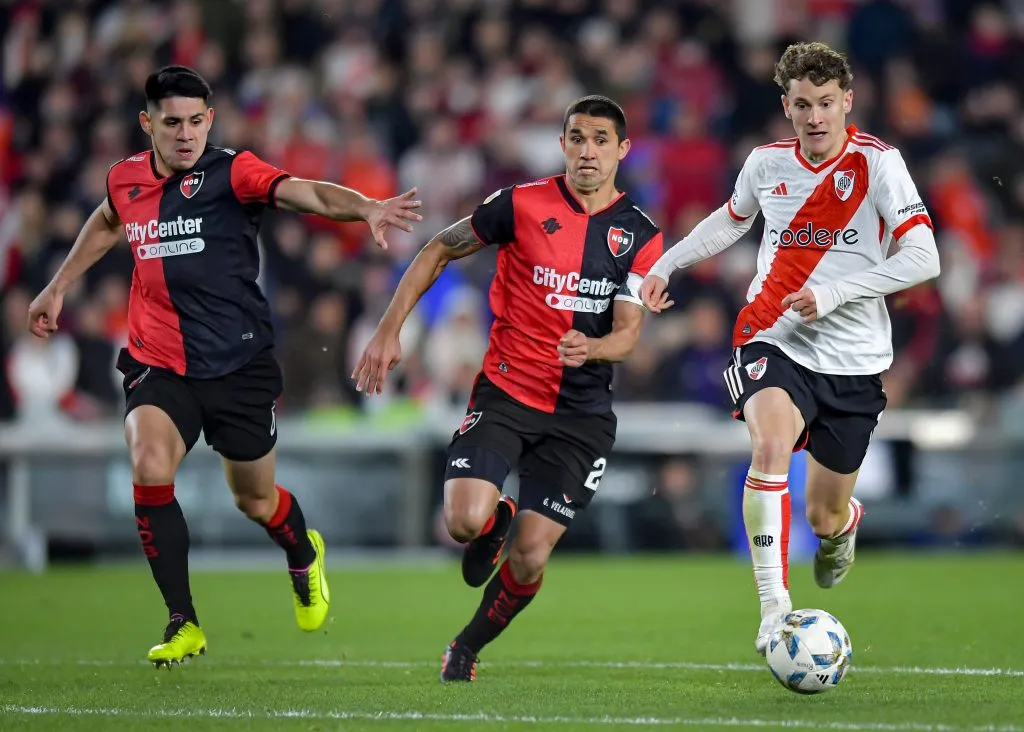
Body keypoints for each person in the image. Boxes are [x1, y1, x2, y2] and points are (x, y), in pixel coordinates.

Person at [26, 66, 422, 667]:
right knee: (149, 460)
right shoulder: (124, 178)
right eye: (171, 123)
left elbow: (309, 193)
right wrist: (58, 286)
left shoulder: (233, 172)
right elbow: (108, 221)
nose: (185, 135)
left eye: (195, 122)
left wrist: (365, 207)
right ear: (147, 123)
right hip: (159, 361)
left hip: (237, 363)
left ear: (209, 120)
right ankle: (183, 621)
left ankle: (303, 553)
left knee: (255, 500)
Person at [640, 42, 940, 655]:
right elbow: (731, 219)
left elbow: (924, 257)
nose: (815, 117)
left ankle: (843, 527)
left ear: (847, 101)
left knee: (823, 517)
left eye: (826, 102)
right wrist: (666, 263)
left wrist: (833, 294)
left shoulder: (879, 164)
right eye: (803, 105)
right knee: (771, 445)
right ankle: (774, 607)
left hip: (854, 361)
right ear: (786, 106)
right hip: (772, 336)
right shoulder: (766, 164)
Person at [353, 95, 663, 682]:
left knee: (530, 556)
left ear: (623, 149)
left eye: (601, 140)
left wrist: (593, 348)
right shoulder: (519, 203)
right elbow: (439, 248)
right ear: (562, 144)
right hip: (507, 393)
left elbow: (628, 334)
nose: (588, 151)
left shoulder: (641, 235)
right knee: (463, 523)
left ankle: (466, 647)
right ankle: (494, 517)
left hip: (580, 415)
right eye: (577, 138)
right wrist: (390, 329)